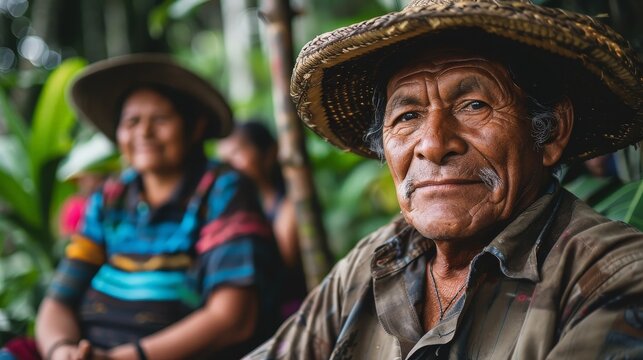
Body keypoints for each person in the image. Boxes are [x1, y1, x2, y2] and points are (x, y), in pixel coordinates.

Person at [246, 0, 643, 359]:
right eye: (408, 116)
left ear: (552, 131)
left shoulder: (614, 277)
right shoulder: (379, 258)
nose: (434, 145)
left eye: (473, 105)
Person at [35, 54, 285, 360]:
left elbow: (233, 320)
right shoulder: (110, 197)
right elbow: (58, 301)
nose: (144, 132)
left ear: (195, 127)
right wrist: (61, 351)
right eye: (132, 121)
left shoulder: (223, 190)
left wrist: (121, 358)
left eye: (161, 119)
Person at [218, 121, 307, 317]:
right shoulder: (227, 212)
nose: (229, 165)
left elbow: (280, 264)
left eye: (237, 153)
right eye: (224, 158)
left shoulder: (289, 206)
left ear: (268, 153)